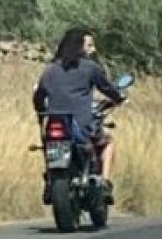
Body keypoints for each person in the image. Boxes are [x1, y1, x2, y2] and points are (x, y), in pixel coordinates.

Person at [33, 27, 126, 202]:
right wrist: (119, 97)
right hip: (81, 126)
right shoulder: (90, 68)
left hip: (54, 125)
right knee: (108, 142)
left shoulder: (50, 70)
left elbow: (39, 96)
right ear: (79, 46)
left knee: (48, 146)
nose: (93, 49)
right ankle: (104, 182)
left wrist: (40, 112)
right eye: (89, 45)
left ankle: (50, 179)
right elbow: (107, 88)